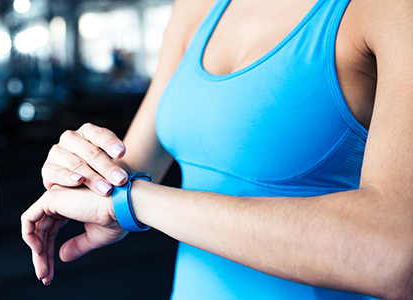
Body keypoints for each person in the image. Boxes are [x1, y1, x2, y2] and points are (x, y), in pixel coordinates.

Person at [21, 0, 413, 298]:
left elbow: (395, 254)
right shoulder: (196, 6)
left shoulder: (387, 10)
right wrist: (83, 166)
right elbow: (131, 165)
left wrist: (135, 201)